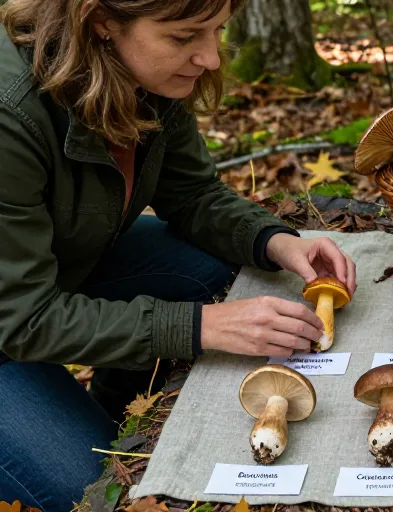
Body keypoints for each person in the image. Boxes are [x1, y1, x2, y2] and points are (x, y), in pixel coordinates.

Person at [0, 0, 358, 509]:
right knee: (98, 487)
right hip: (16, 315)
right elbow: (24, 317)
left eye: (218, 31)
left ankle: (126, 413)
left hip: (54, 265)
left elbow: (192, 194)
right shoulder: (11, 115)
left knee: (210, 274)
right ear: (101, 22)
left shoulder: (138, 73)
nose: (210, 58)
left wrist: (275, 241)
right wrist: (201, 327)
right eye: (185, 37)